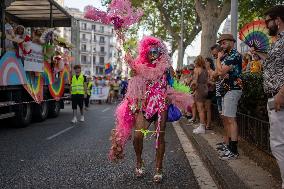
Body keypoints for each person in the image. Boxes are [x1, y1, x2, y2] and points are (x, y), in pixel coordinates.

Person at [109, 36, 193, 182]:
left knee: (159, 136)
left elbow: (173, 83)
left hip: (161, 105)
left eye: (156, 51)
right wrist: (129, 60)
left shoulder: (167, 68)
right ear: (145, 53)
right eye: (150, 52)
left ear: (160, 52)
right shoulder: (141, 67)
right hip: (145, 105)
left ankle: (158, 169)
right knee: (138, 136)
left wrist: (171, 95)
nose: (153, 54)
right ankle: (139, 160)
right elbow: (134, 74)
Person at [251, 5, 284, 188]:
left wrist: (281, 94)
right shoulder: (278, 41)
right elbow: (276, 66)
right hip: (276, 98)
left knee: (279, 145)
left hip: (279, 98)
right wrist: (260, 55)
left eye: (268, 21)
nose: (266, 25)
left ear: (277, 20)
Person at [216, 34, 243, 160]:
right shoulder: (228, 56)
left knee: (231, 120)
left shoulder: (234, 55)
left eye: (224, 42)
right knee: (228, 119)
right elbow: (218, 74)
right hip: (227, 90)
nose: (222, 45)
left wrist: (218, 60)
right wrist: (221, 70)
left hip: (233, 89)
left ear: (232, 42)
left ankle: (234, 151)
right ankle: (230, 147)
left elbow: (220, 72)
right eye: (221, 43)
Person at [192, 55, 208, 134]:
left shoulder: (197, 69)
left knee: (200, 109)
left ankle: (202, 127)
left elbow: (195, 82)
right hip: (205, 89)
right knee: (203, 108)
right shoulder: (205, 70)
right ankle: (202, 125)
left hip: (199, 89)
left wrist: (193, 89)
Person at [205, 57, 215, 130]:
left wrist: (208, 82)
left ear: (210, 63)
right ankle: (204, 123)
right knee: (204, 108)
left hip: (209, 91)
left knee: (208, 109)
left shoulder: (212, 72)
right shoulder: (204, 71)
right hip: (203, 91)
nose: (205, 63)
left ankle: (208, 124)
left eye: (206, 61)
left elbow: (214, 84)